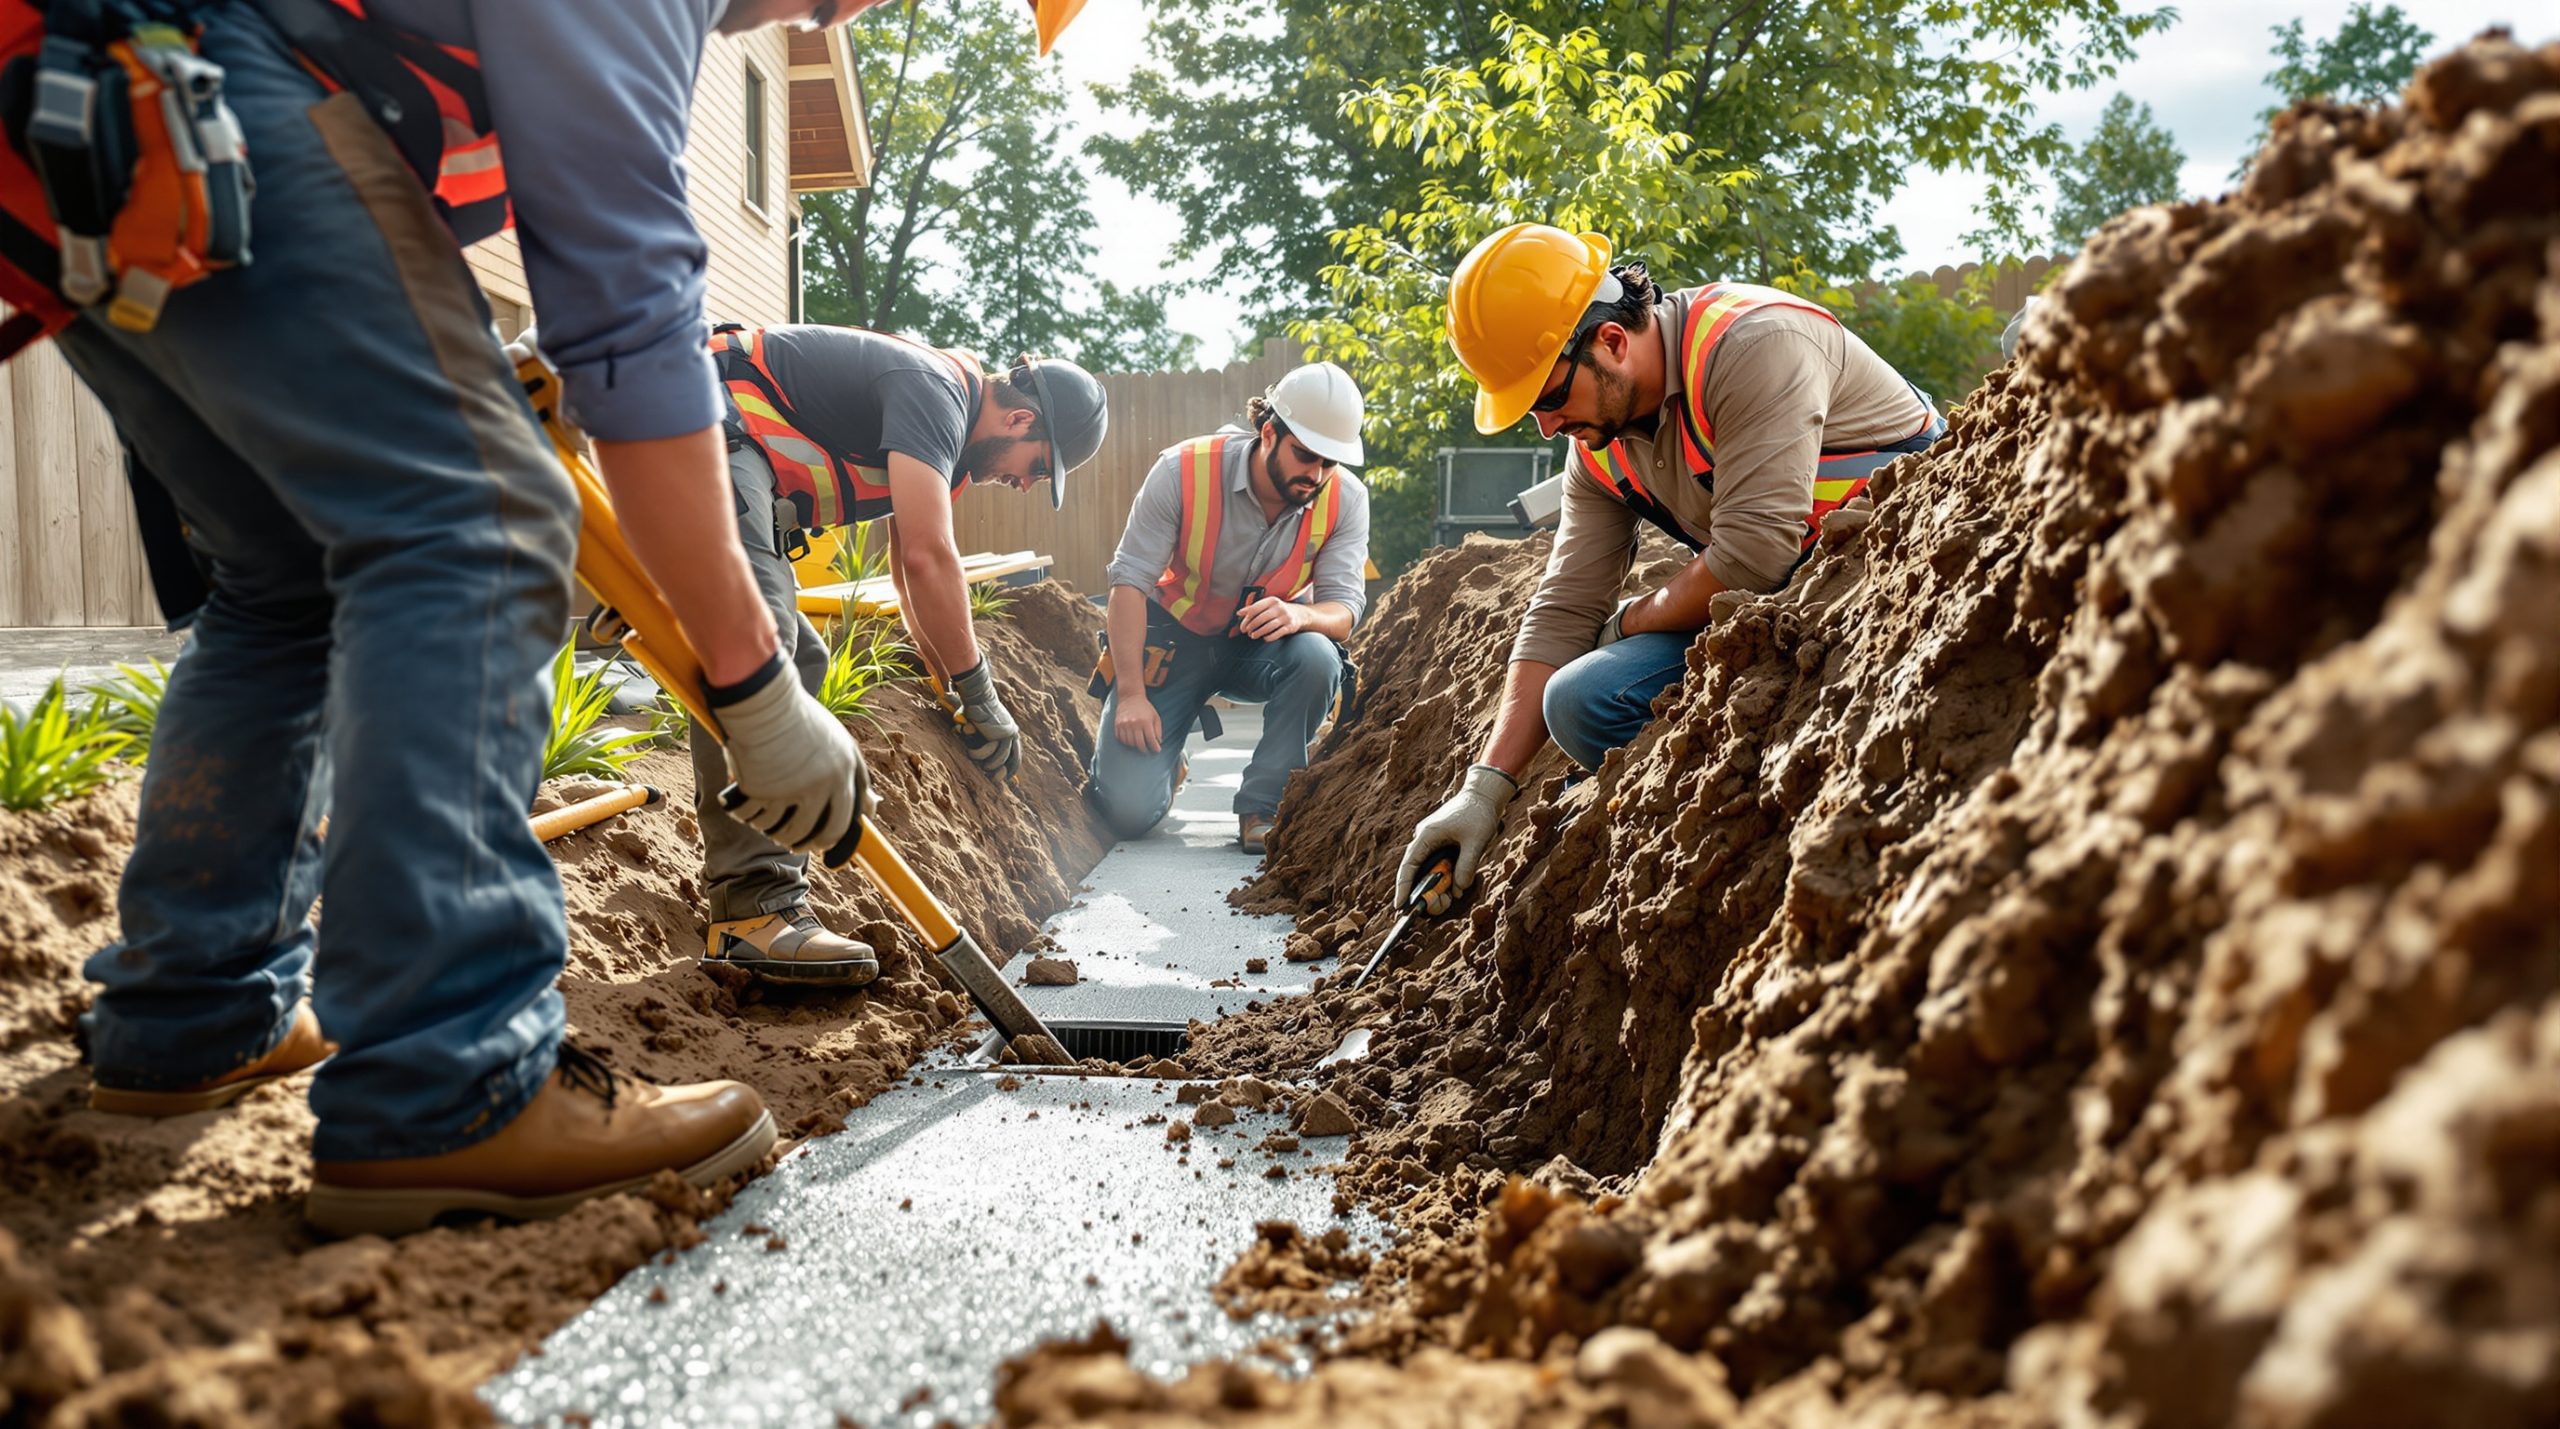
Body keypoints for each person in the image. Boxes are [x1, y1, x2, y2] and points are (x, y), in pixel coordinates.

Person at [49, 0, 932, 1238]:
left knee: (283, 578)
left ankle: (196, 1011)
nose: (812, 14)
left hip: (90, 90)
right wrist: (759, 689)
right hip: (178, 82)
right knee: (483, 522)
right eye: (842, 4)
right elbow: (631, 312)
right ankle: (451, 1082)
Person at [1397, 223, 1946, 904]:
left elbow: (1753, 552)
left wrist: (1631, 621)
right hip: (1777, 609)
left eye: (1546, 398)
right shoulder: (1598, 442)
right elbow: (1565, 608)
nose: (1544, 425)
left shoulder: (1754, 344)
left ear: (1612, 342)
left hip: (1896, 588)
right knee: (1580, 699)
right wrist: (1482, 791)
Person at [690, 322, 1106, 982]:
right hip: (699, 425)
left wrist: (951, 687)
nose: (1025, 484)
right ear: (1021, 418)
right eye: (1035, 466)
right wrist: (979, 685)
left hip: (728, 447)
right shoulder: (934, 391)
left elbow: (908, 577)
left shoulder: (947, 416)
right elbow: (928, 556)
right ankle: (751, 915)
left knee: (807, 662)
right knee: (772, 650)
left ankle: (762, 904)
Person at [1088, 362, 1371, 851]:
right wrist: (1132, 695)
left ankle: (1264, 805)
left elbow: (1344, 608)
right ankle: (1166, 762)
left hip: (1257, 650)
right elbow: (1130, 583)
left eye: (1330, 462)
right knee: (1126, 811)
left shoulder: (1346, 499)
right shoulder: (1182, 470)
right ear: (1268, 434)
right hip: (1173, 641)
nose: (1317, 474)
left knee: (1318, 658)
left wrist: (1300, 615)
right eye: (1305, 456)